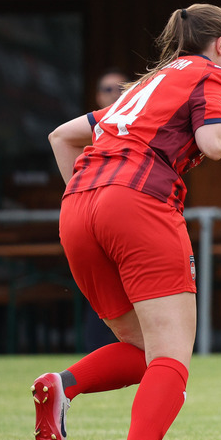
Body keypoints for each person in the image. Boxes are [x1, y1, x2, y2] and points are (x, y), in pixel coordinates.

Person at [31, 3, 221, 440]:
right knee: (173, 353)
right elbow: (214, 144)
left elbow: (62, 137)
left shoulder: (145, 85)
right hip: (139, 202)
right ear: (218, 44)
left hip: (78, 207)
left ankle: (62, 386)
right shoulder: (209, 74)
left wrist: (92, 198)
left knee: (142, 347)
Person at [83, 67, 130, 351]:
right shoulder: (85, 131)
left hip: (131, 218)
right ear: (98, 96)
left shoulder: (139, 126)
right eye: (108, 90)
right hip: (94, 222)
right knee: (102, 299)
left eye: (120, 89)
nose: (114, 95)